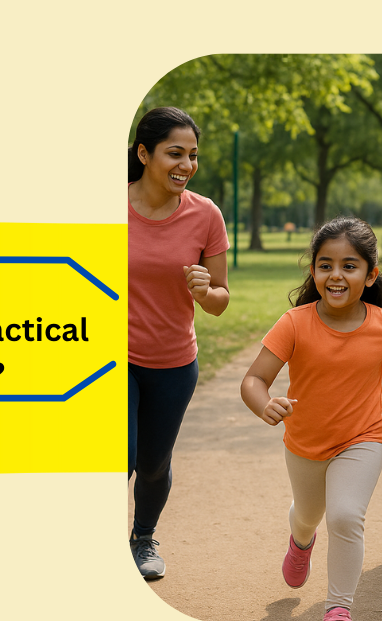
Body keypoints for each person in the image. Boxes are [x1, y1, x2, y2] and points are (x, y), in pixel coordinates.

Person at [240, 217, 382, 621]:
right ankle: (301, 541)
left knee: (344, 515)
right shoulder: (295, 322)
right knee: (308, 515)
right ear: (313, 271)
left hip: (363, 438)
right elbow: (254, 379)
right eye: (325, 265)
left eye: (349, 265)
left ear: (370, 275)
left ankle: (338, 609)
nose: (336, 275)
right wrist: (264, 404)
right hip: (305, 443)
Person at [128, 107, 230, 579]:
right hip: (112, 358)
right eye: (175, 153)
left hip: (173, 362)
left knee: (153, 464)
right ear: (144, 154)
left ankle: (143, 537)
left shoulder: (205, 214)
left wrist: (205, 291)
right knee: (118, 454)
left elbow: (220, 301)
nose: (186, 165)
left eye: (193, 155)